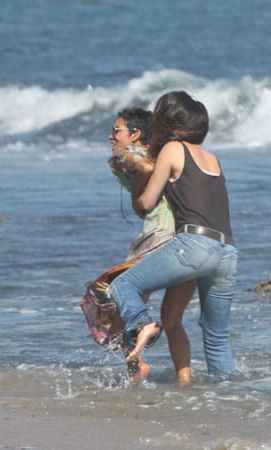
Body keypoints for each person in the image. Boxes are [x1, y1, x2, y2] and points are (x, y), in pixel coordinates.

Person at [109, 92, 238, 380]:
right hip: (227, 251)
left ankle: (141, 324)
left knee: (122, 286)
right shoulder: (213, 158)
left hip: (193, 245)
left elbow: (146, 203)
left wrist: (135, 187)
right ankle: (229, 399)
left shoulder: (173, 150)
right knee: (217, 338)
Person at [82, 107, 195, 384]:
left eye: (117, 130)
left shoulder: (128, 155)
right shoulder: (165, 155)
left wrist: (138, 190)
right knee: (173, 321)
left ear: (135, 134)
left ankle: (136, 368)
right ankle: (185, 382)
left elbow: (144, 171)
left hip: (157, 240)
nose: (111, 136)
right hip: (188, 242)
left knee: (111, 296)